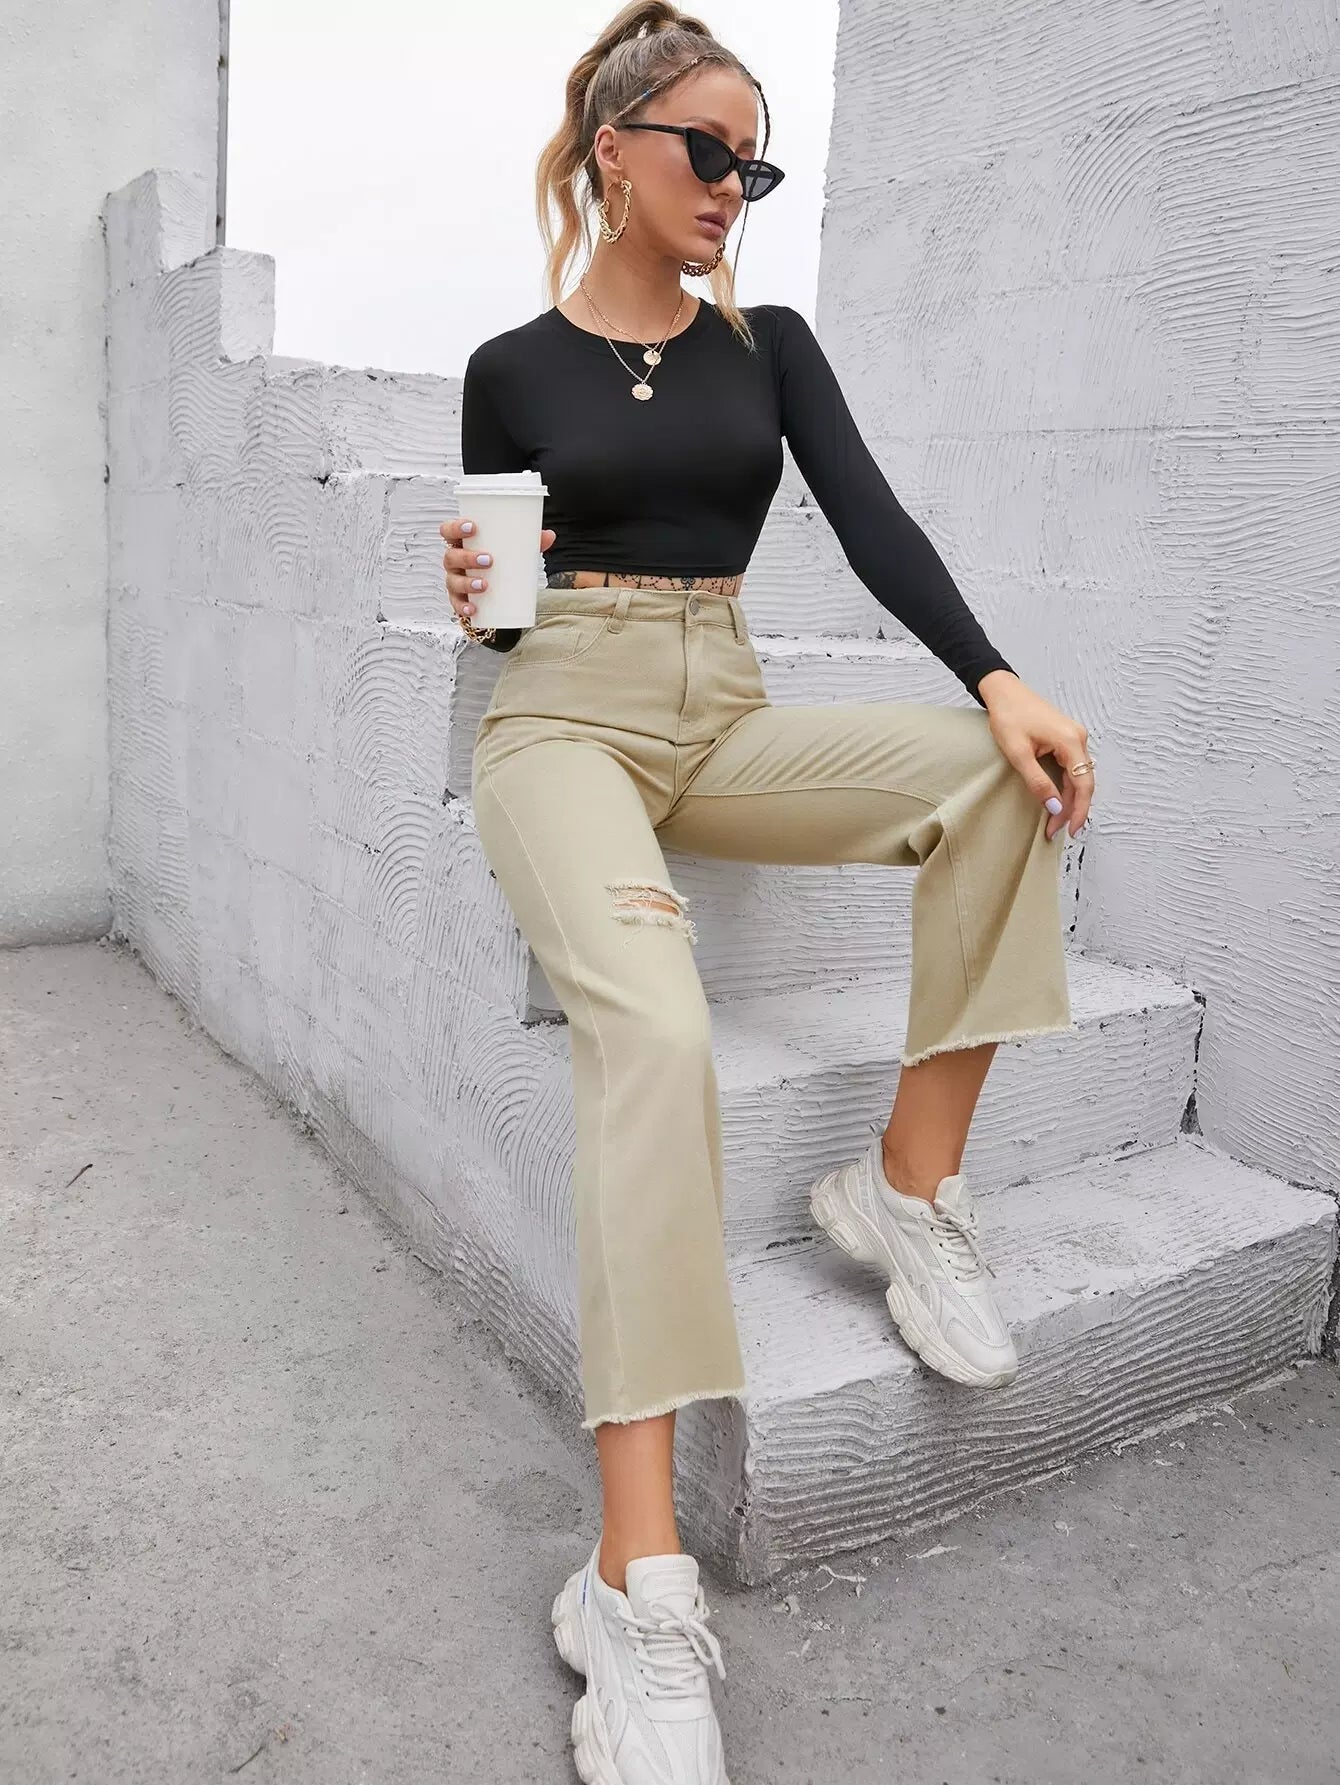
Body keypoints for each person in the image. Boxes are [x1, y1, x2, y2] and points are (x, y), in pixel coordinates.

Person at [440, 5, 1094, 1779]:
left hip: (721, 708)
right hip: (563, 722)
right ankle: (633, 1580)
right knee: (654, 1032)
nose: (737, 185)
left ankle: (907, 1184)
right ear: (615, 150)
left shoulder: (769, 348)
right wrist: (479, 597)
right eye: (710, 150)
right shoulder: (509, 367)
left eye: (757, 163)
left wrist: (995, 678)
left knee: (1001, 777)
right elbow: (503, 619)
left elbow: (870, 519)